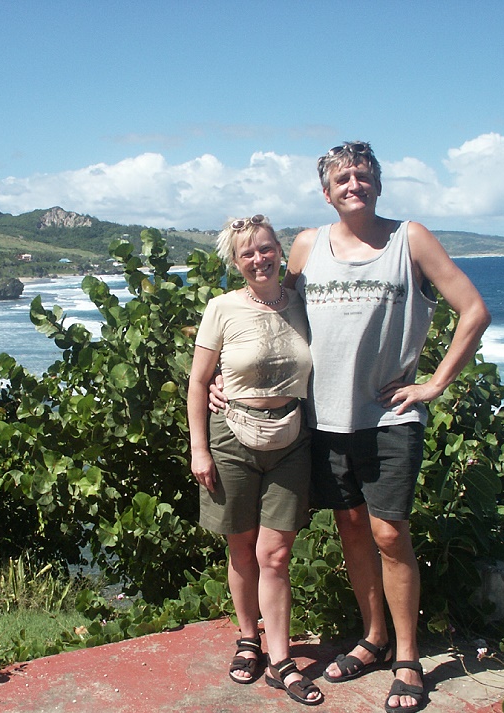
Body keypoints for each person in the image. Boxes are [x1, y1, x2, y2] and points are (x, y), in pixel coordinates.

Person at [210, 141, 491, 713]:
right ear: (326, 191)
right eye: (342, 178)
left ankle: (408, 658)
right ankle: (374, 638)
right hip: (323, 419)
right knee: (353, 529)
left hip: (388, 415)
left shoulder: (409, 239)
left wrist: (433, 383)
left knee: (390, 533)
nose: (353, 185)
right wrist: (223, 379)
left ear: (378, 184)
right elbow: (271, 309)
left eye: (362, 176)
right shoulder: (309, 246)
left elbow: (474, 309)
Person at [188, 214, 323, 706]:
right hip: (232, 438)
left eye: (266, 249)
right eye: (247, 253)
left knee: (277, 555)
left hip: (291, 438)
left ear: (279, 250)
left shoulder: (303, 305)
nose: (259, 258)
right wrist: (198, 448)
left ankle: (281, 659)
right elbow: (199, 382)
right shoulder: (221, 307)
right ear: (235, 261)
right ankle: (249, 639)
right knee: (241, 548)